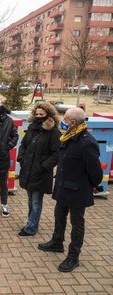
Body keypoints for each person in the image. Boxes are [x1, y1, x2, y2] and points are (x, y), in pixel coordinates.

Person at [38, 107, 103, 272]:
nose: (63, 122)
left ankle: (73, 256)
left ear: (73, 123)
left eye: (65, 120)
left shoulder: (87, 142)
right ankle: (57, 242)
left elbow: (95, 172)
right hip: (63, 186)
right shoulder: (68, 137)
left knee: (77, 223)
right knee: (59, 216)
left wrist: (93, 185)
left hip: (77, 190)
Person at [17, 102, 61, 236]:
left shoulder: (53, 132)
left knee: (36, 201)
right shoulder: (31, 127)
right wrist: (21, 158)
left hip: (40, 173)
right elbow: (23, 144)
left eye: (42, 114)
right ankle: (31, 222)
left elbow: (57, 154)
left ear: (49, 114)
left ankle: (31, 228)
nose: (39, 116)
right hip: (28, 170)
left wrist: (43, 167)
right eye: (36, 114)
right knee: (31, 200)